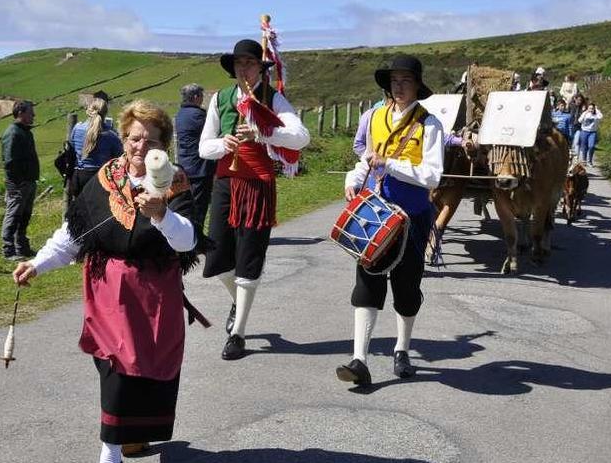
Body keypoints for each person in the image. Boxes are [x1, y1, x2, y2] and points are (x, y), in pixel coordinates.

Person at [11, 100, 200, 463]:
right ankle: (109, 451)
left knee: (145, 368)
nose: (140, 147)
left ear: (165, 145)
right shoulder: (106, 177)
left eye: (151, 141)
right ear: (124, 139)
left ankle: (131, 437)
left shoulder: (174, 180)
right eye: (133, 138)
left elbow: (189, 240)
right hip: (108, 291)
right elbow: (74, 233)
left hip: (152, 295)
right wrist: (38, 263)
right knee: (115, 368)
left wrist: (161, 214)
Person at [199, 38, 310, 360]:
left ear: (260, 67)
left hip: (258, 185)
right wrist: (225, 143)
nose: (243, 69)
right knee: (218, 261)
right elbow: (203, 148)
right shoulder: (220, 98)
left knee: (249, 257)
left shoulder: (273, 99)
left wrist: (263, 134)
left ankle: (239, 334)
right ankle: (239, 300)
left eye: (249, 63)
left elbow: (301, 137)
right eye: (238, 64)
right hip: (225, 182)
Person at [336, 55, 443, 386]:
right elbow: (366, 159)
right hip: (375, 215)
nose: (398, 87)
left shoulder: (429, 124)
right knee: (367, 282)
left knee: (407, 288)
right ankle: (359, 359)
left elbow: (432, 176)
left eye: (405, 81)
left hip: (412, 217)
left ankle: (402, 348)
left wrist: (391, 164)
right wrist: (353, 179)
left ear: (416, 85)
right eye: (394, 81)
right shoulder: (373, 118)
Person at [1, 100, 39, 260]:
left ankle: (22, 247)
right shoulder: (13, 133)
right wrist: (18, 181)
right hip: (18, 183)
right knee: (14, 214)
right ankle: (8, 250)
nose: (34, 115)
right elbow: (9, 161)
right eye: (31, 112)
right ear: (21, 113)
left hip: (28, 181)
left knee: (24, 215)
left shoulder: (24, 132)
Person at [69, 91, 124, 199]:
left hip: (79, 176)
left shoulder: (77, 128)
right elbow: (120, 156)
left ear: (88, 111)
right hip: (100, 178)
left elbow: (72, 149)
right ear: (105, 113)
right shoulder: (110, 135)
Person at [174, 83, 213, 233]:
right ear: (196, 97)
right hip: (199, 167)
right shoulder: (199, 115)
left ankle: (190, 234)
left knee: (188, 203)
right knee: (199, 205)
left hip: (186, 164)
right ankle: (196, 237)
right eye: (202, 96)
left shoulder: (180, 114)